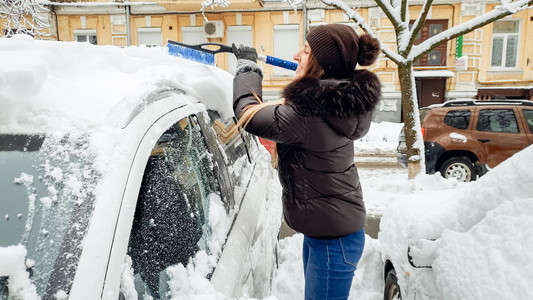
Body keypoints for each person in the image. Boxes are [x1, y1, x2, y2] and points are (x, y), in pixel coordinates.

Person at [232, 24, 381, 299]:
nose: (296, 54)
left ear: (321, 63)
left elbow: (248, 115)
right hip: (328, 234)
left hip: (333, 241)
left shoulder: (309, 113)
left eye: (306, 50)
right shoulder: (333, 104)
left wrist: (247, 70)